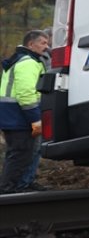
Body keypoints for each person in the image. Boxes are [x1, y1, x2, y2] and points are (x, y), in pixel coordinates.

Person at [1, 30, 49, 194]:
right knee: (20, 154)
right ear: (31, 44)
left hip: (13, 116)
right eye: (43, 43)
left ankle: (23, 184)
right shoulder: (27, 62)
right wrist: (35, 119)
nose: (46, 47)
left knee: (30, 151)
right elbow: (26, 94)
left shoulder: (24, 60)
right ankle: (7, 189)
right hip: (19, 117)